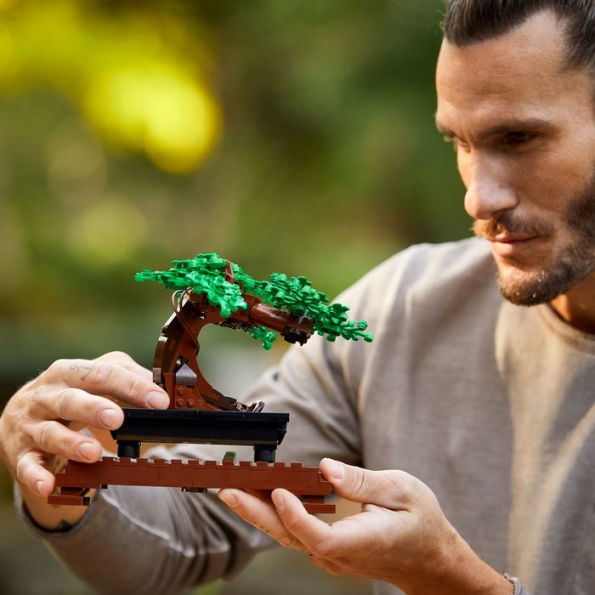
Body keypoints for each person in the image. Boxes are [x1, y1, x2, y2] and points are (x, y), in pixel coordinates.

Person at [1, 1, 593, 593]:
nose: (479, 198)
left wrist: (454, 582)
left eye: (517, 138)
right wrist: (58, 471)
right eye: (460, 143)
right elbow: (183, 534)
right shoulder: (403, 309)